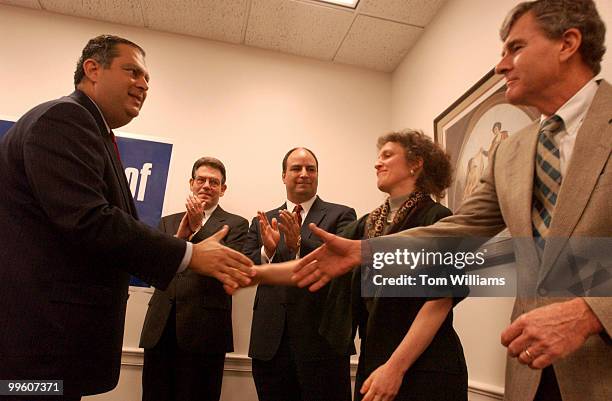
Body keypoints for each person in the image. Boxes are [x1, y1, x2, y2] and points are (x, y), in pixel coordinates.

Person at [294, 1, 611, 401]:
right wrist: (365, 252)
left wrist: (590, 312)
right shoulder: (511, 152)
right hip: (531, 371)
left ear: (568, 43)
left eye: (515, 48)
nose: (501, 66)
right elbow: (457, 230)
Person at [0, 35, 252, 400]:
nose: (143, 85)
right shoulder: (65, 118)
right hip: (38, 352)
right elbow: (89, 220)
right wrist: (190, 253)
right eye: (132, 71)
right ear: (93, 69)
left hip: (58, 347)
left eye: (148, 79)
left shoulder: (95, 132)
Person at [242, 147, 356, 401]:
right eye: (296, 168)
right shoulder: (262, 220)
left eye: (310, 169)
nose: (304, 174)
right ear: (283, 175)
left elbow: (344, 263)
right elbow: (247, 269)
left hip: (323, 344)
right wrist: (267, 252)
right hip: (270, 343)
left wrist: (299, 246)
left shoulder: (342, 215)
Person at [139, 157, 248, 401]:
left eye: (214, 182)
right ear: (191, 183)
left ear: (223, 189)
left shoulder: (236, 224)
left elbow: (229, 268)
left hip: (205, 333)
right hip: (160, 328)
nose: (207, 185)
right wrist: (178, 239)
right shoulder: (168, 221)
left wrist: (198, 230)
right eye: (201, 180)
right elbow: (155, 270)